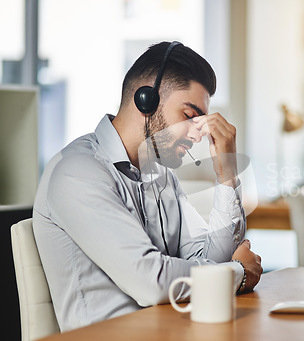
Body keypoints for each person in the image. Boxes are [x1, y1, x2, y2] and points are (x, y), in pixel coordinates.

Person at [33, 41, 262, 332]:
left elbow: (209, 259)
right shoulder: (77, 172)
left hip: (170, 331)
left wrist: (226, 174)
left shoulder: (160, 176)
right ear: (146, 99)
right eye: (190, 116)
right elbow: (150, 281)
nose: (198, 135)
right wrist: (237, 273)